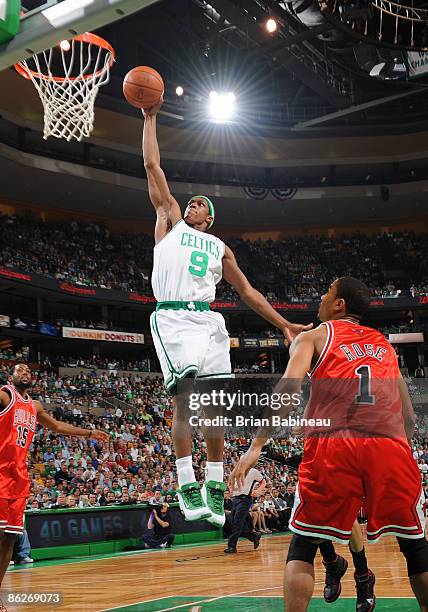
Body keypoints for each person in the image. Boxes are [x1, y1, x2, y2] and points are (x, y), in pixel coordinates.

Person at [142, 97, 312, 527]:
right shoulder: (169, 222)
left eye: (199, 204)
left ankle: (214, 487)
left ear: (211, 218)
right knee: (185, 398)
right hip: (174, 316)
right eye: (191, 202)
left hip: (209, 321)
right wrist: (150, 118)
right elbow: (152, 168)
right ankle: (185, 481)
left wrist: (285, 324)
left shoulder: (220, 247)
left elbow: (249, 293)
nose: (192, 204)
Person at [230, 277, 428, 612]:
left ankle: (346, 577)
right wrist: (401, 448)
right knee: (415, 546)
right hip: (389, 444)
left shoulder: (317, 336)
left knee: (303, 545)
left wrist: (256, 446)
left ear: (339, 305)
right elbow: (406, 411)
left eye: (327, 292)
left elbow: (288, 390)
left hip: (336, 445)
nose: (320, 297)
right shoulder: (383, 343)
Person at [0, 363, 108, 602]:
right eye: (20, 370)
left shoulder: (35, 406)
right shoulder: (5, 394)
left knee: (9, 536)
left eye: (29, 371)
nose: (26, 373)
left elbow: (58, 426)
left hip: (18, 476)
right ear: (11, 376)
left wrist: (88, 433)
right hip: (0, 472)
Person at [224, 467, 265, 554]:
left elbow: (263, 482)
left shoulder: (253, 471)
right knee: (234, 524)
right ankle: (254, 536)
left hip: (244, 499)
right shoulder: (237, 470)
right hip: (235, 499)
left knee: (237, 524)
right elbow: (230, 480)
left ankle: (232, 546)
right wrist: (231, 489)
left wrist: (258, 490)